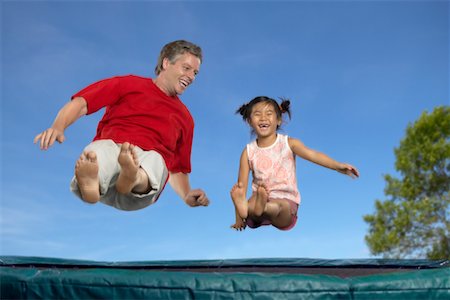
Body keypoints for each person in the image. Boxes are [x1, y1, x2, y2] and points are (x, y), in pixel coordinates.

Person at [34, 40, 209, 211]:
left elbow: (177, 169)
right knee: (101, 149)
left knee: (156, 160)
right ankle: (91, 188)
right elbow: (83, 103)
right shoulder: (128, 84)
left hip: (140, 188)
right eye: (186, 68)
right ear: (166, 63)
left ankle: (133, 178)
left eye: (195, 73)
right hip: (113, 159)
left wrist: (186, 194)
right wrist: (58, 126)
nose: (191, 77)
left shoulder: (185, 118)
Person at [230, 96, 359, 231]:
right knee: (250, 205)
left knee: (280, 207)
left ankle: (262, 208)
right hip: (258, 199)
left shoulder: (289, 143)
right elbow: (241, 187)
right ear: (250, 121)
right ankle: (253, 209)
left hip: (285, 199)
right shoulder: (248, 151)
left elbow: (312, 155)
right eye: (257, 114)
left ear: (279, 120)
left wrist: (337, 166)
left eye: (269, 114)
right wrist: (239, 217)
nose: (263, 118)